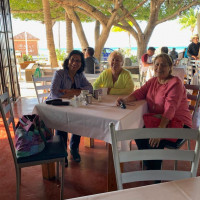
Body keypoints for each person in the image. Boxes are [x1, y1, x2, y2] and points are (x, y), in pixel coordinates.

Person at [116, 53, 192, 171]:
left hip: (179, 124)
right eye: (157, 64)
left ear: (170, 67)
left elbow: (169, 109)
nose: (159, 68)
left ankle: (155, 175)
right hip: (158, 119)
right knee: (138, 131)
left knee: (155, 141)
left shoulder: (175, 83)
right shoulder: (153, 81)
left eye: (163, 65)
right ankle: (149, 162)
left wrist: (159, 132)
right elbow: (140, 93)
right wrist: (125, 100)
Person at [47, 50, 93, 166]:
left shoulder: (79, 75)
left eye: (78, 61)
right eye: (73, 59)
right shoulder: (59, 74)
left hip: (73, 106)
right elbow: (54, 94)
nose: (75, 63)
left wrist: (71, 92)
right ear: (68, 61)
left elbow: (90, 88)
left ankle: (74, 148)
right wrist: (76, 93)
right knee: (61, 123)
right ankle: (62, 153)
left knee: (79, 120)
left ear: (81, 64)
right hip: (57, 107)